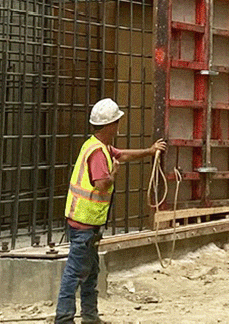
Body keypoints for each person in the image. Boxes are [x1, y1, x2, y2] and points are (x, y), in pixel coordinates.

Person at [56, 98, 167, 324]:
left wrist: (149, 151)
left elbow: (122, 154)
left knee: (89, 273)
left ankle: (89, 317)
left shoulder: (97, 146)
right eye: (116, 122)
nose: (118, 126)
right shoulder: (98, 152)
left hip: (87, 224)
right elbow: (101, 184)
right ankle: (64, 318)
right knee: (75, 273)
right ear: (110, 125)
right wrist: (114, 174)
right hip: (84, 223)